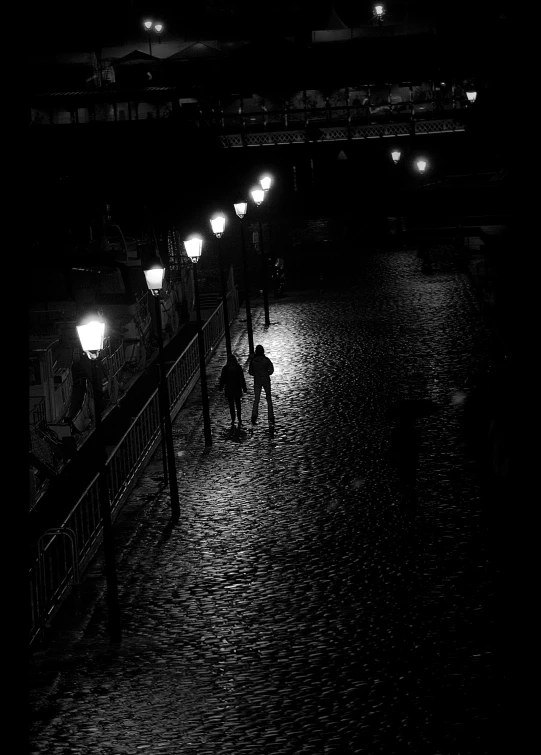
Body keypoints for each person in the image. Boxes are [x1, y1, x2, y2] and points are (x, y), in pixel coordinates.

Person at [219, 354, 247, 429]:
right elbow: (242, 378)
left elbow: (223, 379)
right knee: (238, 404)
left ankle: (233, 419)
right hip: (237, 388)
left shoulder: (225, 368)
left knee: (231, 405)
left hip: (229, 389)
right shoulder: (238, 367)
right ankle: (239, 418)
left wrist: (221, 387)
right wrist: (244, 388)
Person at [249, 344, 275, 426]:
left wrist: (256, 373)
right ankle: (270, 416)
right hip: (266, 380)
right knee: (268, 398)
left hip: (257, 381)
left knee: (256, 399)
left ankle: (254, 415)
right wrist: (267, 373)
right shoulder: (266, 360)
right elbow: (271, 370)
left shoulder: (253, 361)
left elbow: (250, 372)